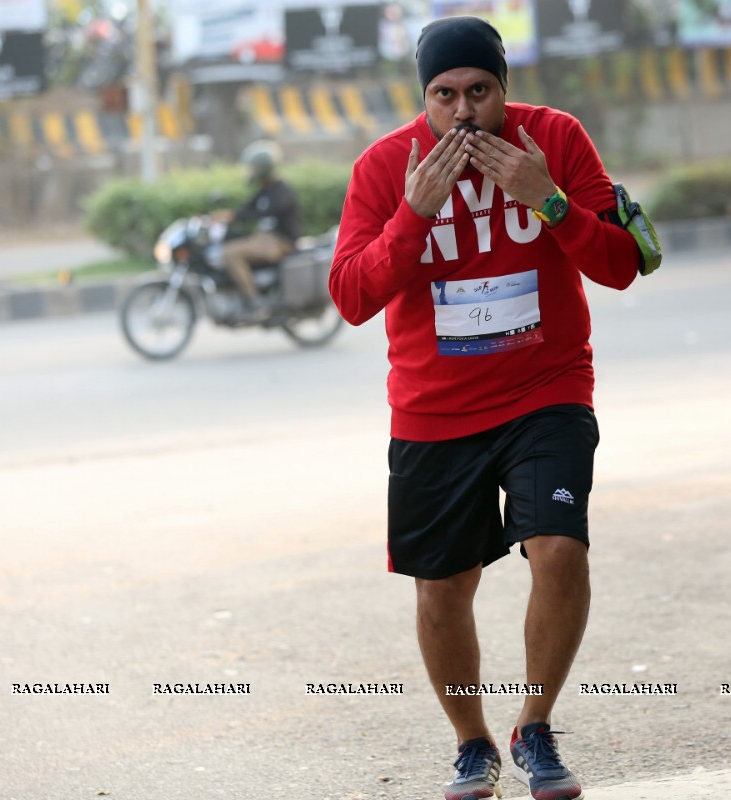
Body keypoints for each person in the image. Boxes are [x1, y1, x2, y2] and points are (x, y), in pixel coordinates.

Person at [329, 16, 648, 800]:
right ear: (424, 98)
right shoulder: (384, 167)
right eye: (445, 96)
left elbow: (619, 269)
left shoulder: (557, 139)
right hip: (435, 410)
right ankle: (473, 746)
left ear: (505, 90)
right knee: (442, 589)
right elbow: (349, 297)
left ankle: (535, 728)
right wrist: (414, 215)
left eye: (480, 92)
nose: (464, 112)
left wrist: (548, 199)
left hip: (548, 389)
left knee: (560, 548)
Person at [215, 140, 301, 321]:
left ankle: (254, 300)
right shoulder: (264, 190)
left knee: (231, 253)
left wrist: (242, 215)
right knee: (232, 243)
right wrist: (229, 215)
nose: (250, 171)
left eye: (253, 167)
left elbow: (267, 210)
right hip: (265, 239)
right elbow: (248, 208)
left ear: (263, 167)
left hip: (281, 242)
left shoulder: (281, 190)